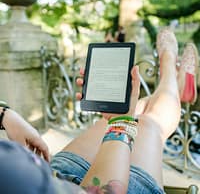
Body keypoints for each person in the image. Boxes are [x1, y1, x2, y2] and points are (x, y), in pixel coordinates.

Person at [0, 28, 198, 194]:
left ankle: (172, 84)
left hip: (56, 174)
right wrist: (122, 124)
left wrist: (4, 115)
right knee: (149, 123)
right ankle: (169, 69)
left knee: (116, 117)